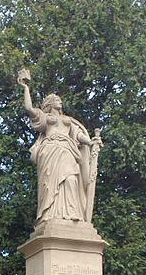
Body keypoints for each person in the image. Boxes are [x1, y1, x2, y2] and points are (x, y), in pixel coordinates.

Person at [17, 75, 101, 224]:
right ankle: (50, 214)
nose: (59, 100)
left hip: (68, 149)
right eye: (56, 99)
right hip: (50, 150)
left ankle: (71, 212)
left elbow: (77, 134)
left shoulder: (68, 120)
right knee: (50, 184)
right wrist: (26, 88)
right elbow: (29, 108)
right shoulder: (45, 117)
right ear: (50, 103)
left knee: (71, 179)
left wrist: (90, 141)